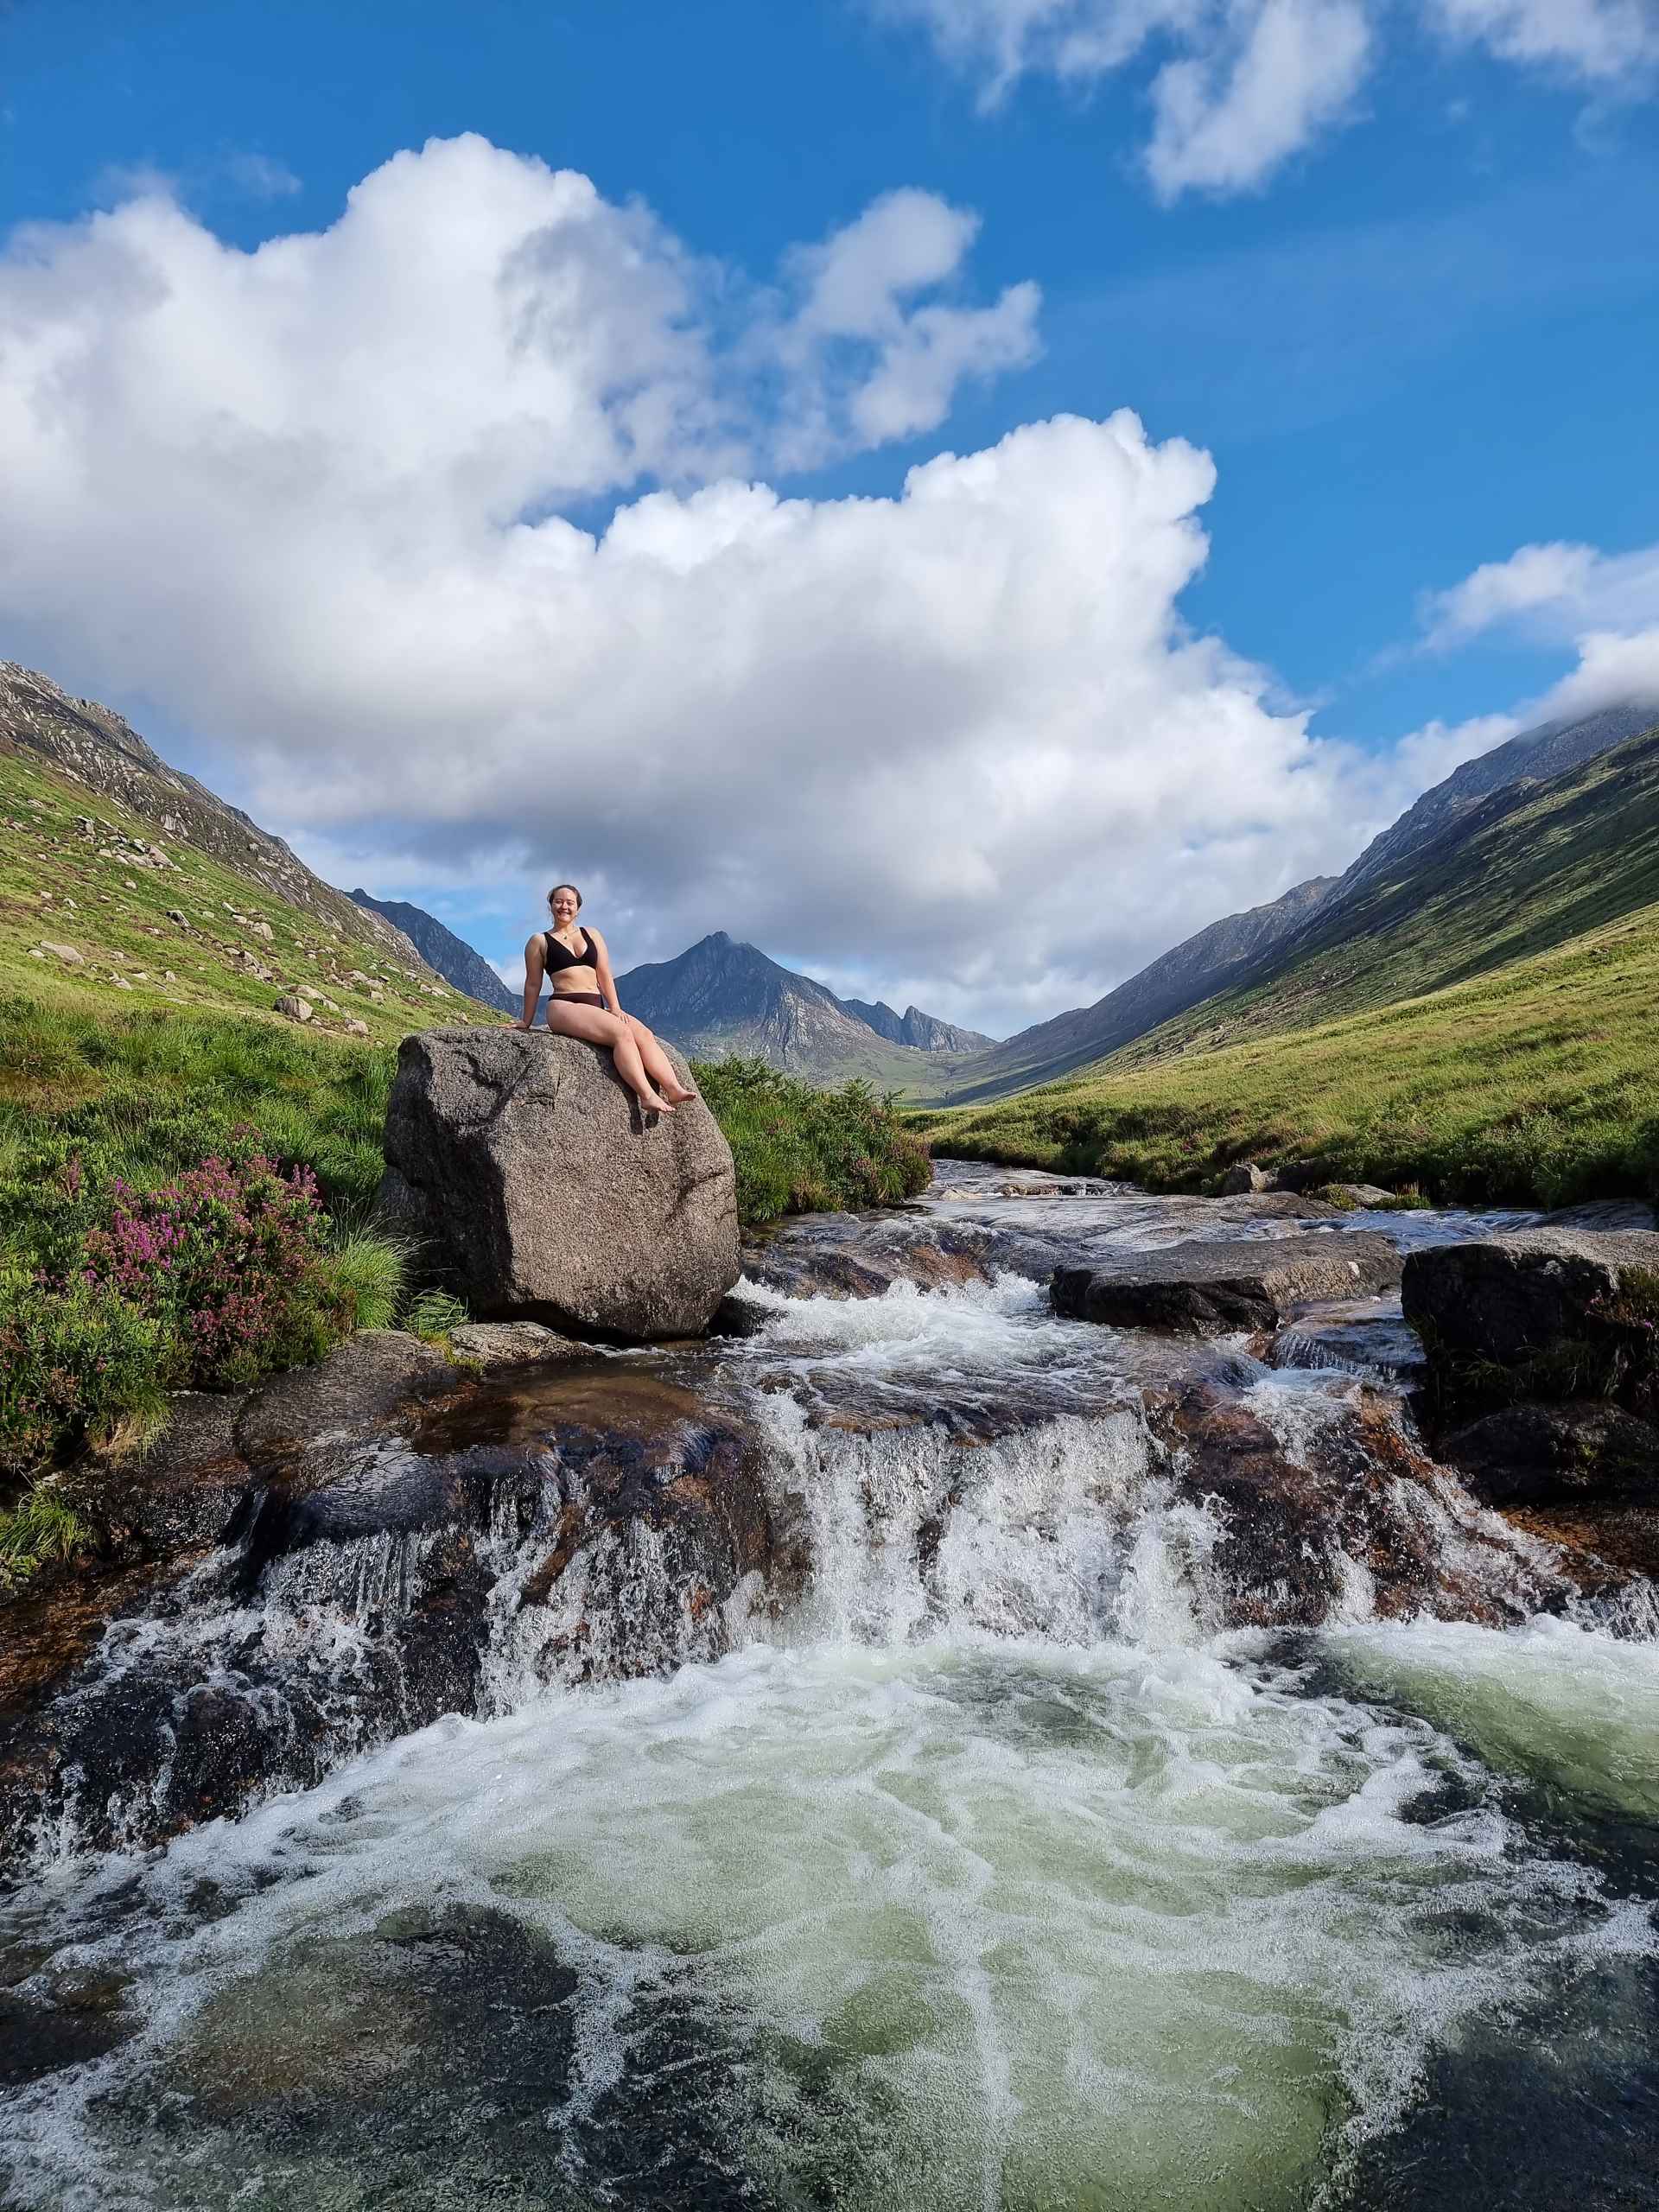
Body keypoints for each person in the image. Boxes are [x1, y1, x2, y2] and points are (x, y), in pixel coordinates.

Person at [516, 882, 697, 1116]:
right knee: (621, 1034)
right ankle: (647, 1095)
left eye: (570, 903)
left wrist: (615, 1008)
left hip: (595, 1005)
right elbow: (533, 984)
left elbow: (604, 974)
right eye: (558, 901)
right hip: (564, 1005)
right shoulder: (538, 941)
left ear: (578, 909)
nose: (564, 906)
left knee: (643, 1034)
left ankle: (673, 1088)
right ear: (551, 905)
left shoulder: (592, 934)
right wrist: (526, 1021)